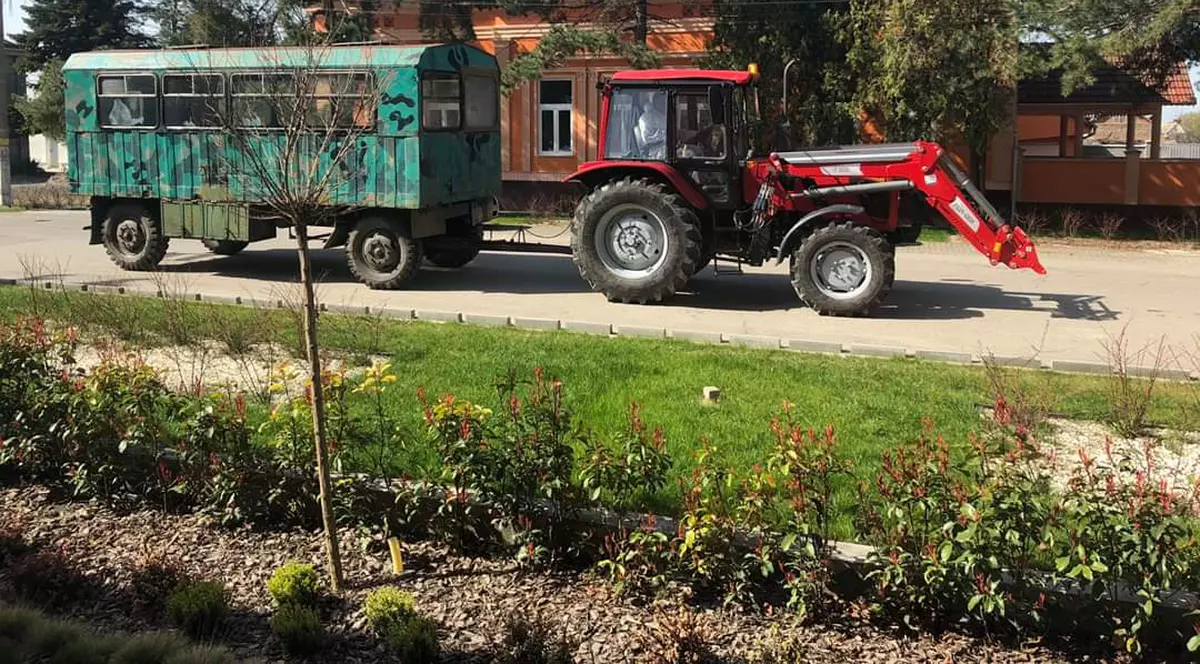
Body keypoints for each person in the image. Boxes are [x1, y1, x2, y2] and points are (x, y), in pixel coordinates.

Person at [634, 91, 666, 159]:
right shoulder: (646, 118)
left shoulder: (663, 116)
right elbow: (646, 139)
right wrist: (661, 136)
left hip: (665, 149)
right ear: (655, 103)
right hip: (655, 153)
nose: (664, 104)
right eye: (662, 102)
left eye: (665, 101)